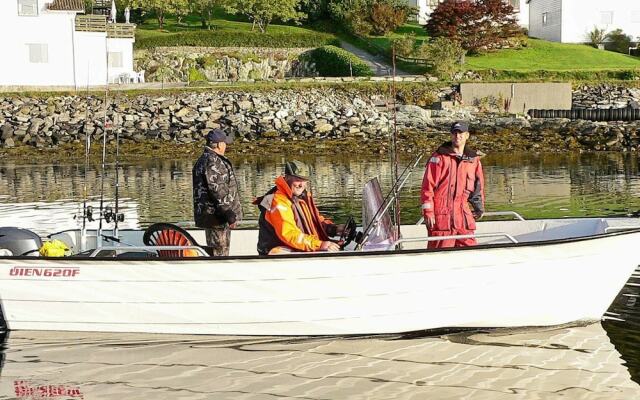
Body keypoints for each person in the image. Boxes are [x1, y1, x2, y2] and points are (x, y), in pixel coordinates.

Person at [255, 160, 342, 255]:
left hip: (298, 245)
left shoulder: (302, 196)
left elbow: (315, 221)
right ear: (287, 178)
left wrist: (333, 229)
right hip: (275, 251)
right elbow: (289, 234)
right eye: (297, 180)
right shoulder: (277, 200)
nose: (301, 184)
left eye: (304, 180)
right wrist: (319, 245)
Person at [421, 121, 485, 249]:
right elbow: (427, 188)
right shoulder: (438, 157)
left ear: (467, 135)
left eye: (460, 133)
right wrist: (428, 211)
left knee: (471, 253)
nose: (457, 136)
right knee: (440, 255)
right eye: (455, 133)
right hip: (442, 218)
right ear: (451, 135)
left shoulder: (473, 160)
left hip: (463, 218)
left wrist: (479, 208)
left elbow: (478, 188)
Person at [192, 128, 242, 256]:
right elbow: (217, 190)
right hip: (217, 219)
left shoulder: (206, 159)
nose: (226, 146)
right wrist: (229, 214)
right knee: (219, 254)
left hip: (215, 218)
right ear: (219, 144)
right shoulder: (212, 161)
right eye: (225, 143)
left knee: (217, 252)